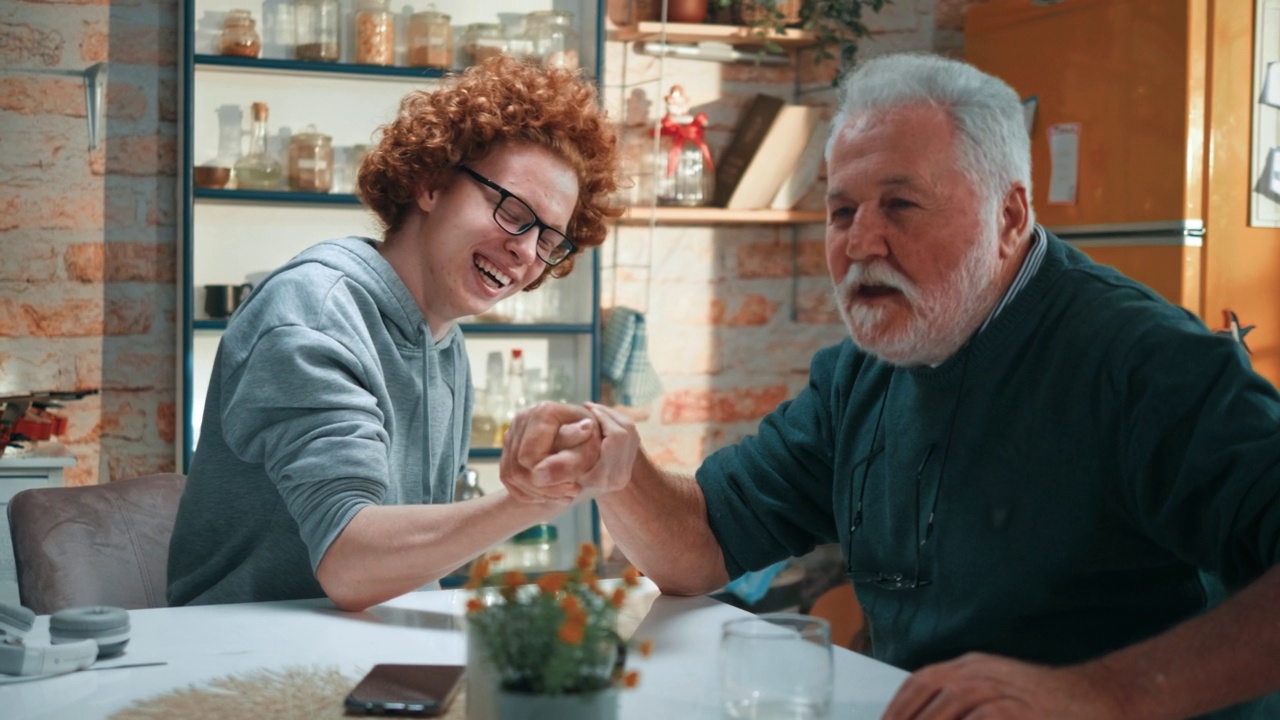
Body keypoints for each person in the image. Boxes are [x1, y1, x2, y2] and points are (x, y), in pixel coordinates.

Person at [500, 53, 1280, 719]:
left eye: (901, 205)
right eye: (842, 211)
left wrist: (1094, 696)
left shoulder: (1143, 360)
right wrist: (620, 469)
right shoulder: (861, 372)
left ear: (1010, 217)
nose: (861, 243)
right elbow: (702, 547)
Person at [167, 55, 617, 611]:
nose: (526, 252)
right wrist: (528, 501)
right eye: (512, 211)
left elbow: (409, 557)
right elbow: (348, 560)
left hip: (358, 643)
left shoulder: (443, 341)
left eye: (549, 239)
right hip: (239, 651)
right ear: (431, 185)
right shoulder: (313, 311)